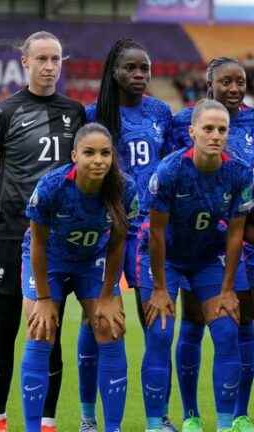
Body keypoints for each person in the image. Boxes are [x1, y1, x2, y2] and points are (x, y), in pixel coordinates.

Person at [0, 30, 85, 432]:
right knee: (5, 332)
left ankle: (47, 423)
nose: (50, 67)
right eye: (42, 59)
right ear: (25, 62)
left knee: (48, 331)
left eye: (56, 59)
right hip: (9, 236)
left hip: (56, 242)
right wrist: (7, 201)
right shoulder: (4, 112)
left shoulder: (76, 113)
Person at [170, 57, 254, 432]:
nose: (233, 88)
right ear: (209, 83)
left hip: (242, 234)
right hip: (196, 239)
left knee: (240, 321)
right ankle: (191, 413)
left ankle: (239, 414)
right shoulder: (183, 121)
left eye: (240, 82)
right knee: (194, 319)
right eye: (225, 82)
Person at [144, 99, 254, 432]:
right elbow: (156, 233)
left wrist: (227, 290)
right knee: (161, 333)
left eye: (222, 130)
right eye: (208, 128)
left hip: (208, 259)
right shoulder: (171, 170)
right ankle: (156, 424)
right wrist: (161, 288)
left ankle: (223, 424)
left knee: (226, 332)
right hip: (168, 260)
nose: (216, 135)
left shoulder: (238, 172)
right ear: (192, 132)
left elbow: (236, 234)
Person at [20, 123, 137, 432]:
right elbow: (38, 244)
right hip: (50, 261)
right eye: (89, 153)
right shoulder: (52, 187)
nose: (98, 160)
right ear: (74, 155)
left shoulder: (125, 189)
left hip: (92, 261)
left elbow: (117, 243)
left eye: (105, 153)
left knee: (110, 328)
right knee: (40, 331)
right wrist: (44, 299)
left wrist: (109, 294)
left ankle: (112, 427)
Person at [84, 38, 175, 432]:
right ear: (114, 72)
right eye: (131, 69)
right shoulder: (95, 116)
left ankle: (157, 421)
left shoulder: (160, 111)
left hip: (149, 233)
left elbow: (170, 167)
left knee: (158, 329)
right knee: (98, 325)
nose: (139, 75)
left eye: (145, 68)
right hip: (107, 233)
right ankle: (91, 420)